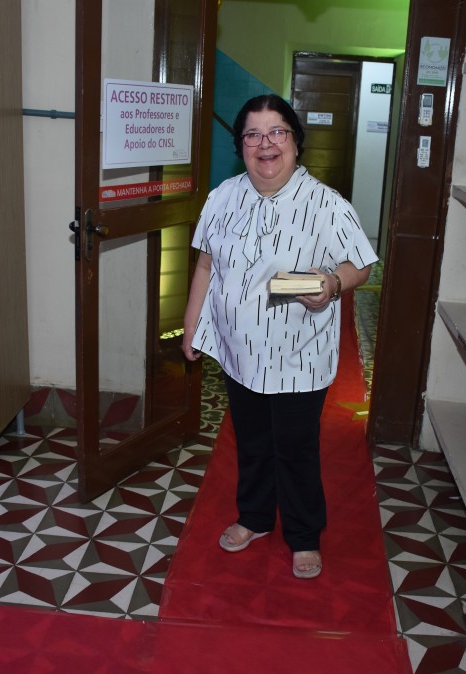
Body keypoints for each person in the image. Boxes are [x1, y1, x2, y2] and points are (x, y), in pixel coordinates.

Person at [182, 94, 378, 579]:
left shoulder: (326, 203)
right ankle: (254, 517)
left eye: (277, 132)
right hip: (237, 349)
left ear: (295, 141)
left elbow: (362, 266)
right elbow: (205, 265)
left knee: (294, 447)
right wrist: (192, 326)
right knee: (250, 440)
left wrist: (332, 283)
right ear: (241, 145)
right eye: (253, 134)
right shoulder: (223, 197)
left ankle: (304, 535)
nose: (265, 144)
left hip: (298, 354)